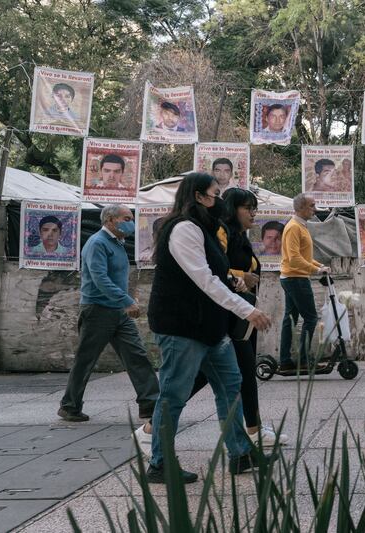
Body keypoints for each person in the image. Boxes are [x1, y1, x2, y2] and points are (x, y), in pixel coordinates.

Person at [146, 172, 272, 483]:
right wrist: (247, 309)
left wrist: (236, 282)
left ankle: (240, 453)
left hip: (210, 327)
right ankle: (160, 463)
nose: (220, 200)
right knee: (173, 395)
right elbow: (203, 279)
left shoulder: (205, 229)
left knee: (231, 386)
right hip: (182, 326)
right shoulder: (184, 229)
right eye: (215, 194)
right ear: (200, 196)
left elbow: (218, 272)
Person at [189, 188, 288, 447]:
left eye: (255, 207)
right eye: (248, 207)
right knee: (230, 370)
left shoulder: (240, 236)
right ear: (233, 209)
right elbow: (212, 268)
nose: (253, 212)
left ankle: (253, 428)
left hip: (243, 315)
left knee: (230, 371)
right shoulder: (221, 232)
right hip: (228, 314)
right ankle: (155, 420)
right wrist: (242, 276)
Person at [58, 205, 159, 423]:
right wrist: (126, 300)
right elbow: (100, 278)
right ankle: (70, 406)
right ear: (110, 220)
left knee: (136, 355)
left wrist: (126, 300)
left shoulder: (116, 244)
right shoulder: (97, 243)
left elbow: (117, 278)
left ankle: (150, 404)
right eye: (126, 218)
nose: (131, 222)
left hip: (117, 311)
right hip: (97, 310)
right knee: (86, 360)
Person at [278, 193, 330, 372]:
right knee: (311, 318)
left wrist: (319, 265)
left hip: (294, 277)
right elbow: (294, 259)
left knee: (290, 318)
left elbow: (303, 256)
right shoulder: (294, 227)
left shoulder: (301, 226)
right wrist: (316, 270)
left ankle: (285, 361)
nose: (314, 209)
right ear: (300, 208)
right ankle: (304, 360)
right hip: (295, 278)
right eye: (311, 206)